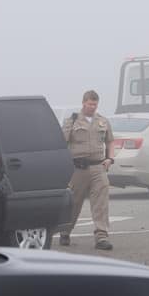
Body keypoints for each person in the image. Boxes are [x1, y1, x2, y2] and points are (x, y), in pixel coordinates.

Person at [60, 90, 115, 250]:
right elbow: (63, 142)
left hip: (98, 167)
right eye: (90, 104)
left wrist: (110, 158)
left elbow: (110, 141)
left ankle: (101, 237)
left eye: (95, 104)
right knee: (74, 203)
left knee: (101, 203)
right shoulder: (73, 120)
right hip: (78, 169)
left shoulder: (103, 121)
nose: (92, 107)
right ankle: (65, 231)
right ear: (83, 103)